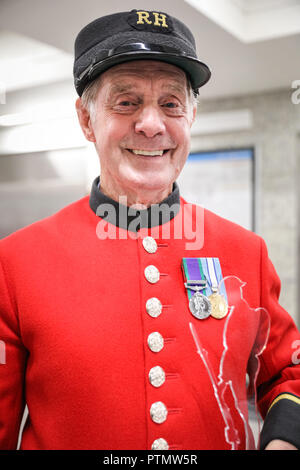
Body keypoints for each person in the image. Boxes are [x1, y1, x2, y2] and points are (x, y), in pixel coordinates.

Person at [0, 9, 300, 451]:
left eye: (171, 103)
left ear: (190, 118)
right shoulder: (15, 262)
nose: (152, 124)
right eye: (126, 102)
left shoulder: (245, 251)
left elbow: (286, 374)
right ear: (87, 120)